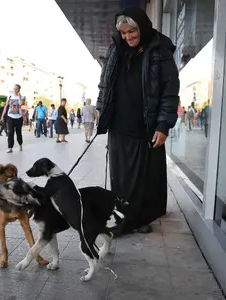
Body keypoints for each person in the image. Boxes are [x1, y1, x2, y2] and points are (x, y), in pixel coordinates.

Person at [96, 7, 180, 234]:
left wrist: (163, 125)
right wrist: (100, 108)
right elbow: (104, 83)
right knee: (121, 175)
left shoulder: (159, 49)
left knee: (142, 178)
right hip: (118, 123)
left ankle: (138, 218)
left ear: (142, 26)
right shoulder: (116, 49)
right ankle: (123, 218)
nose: (127, 37)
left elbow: (169, 91)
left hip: (145, 124)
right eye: (123, 33)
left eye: (131, 31)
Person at [2, 84, 24, 153]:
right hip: (10, 116)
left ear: (19, 90)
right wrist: (3, 115)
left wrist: (19, 96)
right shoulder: (10, 96)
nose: (15, 90)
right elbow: (6, 106)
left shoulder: (22, 97)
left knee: (18, 133)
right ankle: (10, 147)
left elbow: (20, 104)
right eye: (14, 88)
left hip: (18, 118)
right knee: (10, 133)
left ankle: (20, 144)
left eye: (16, 89)